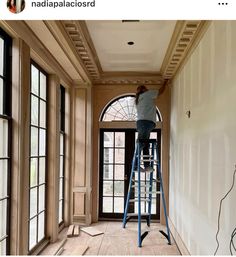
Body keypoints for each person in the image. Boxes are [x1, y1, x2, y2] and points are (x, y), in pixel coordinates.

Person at [135, 82, 167, 172]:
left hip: (142, 123)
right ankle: (137, 165)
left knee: (143, 143)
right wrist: (165, 83)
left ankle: (146, 165)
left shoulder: (138, 99)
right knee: (141, 144)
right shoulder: (147, 94)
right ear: (144, 89)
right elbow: (160, 91)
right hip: (146, 123)